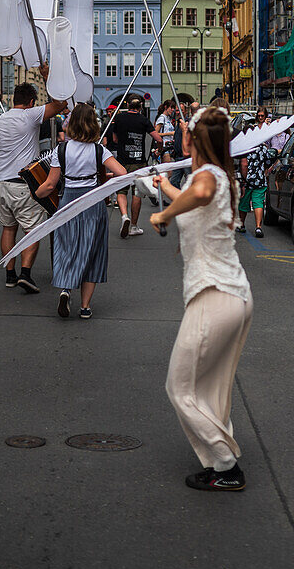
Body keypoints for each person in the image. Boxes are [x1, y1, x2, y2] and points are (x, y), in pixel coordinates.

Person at [149, 106, 252, 492]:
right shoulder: (220, 174)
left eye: (183, 131)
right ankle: (221, 458)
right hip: (233, 295)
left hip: (215, 296)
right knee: (209, 387)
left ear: (192, 139)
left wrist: (162, 217)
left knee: (180, 387)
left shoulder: (208, 177)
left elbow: (201, 192)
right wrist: (165, 188)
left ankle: (225, 466)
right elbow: (197, 197)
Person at [36, 102, 126, 319]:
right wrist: (106, 183)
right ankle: (85, 307)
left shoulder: (62, 150)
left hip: (68, 201)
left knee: (67, 246)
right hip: (92, 202)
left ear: (72, 124)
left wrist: (35, 193)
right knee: (93, 251)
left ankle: (66, 289)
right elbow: (122, 172)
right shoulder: (99, 150)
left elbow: (50, 184)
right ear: (93, 124)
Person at [0, 65, 66, 293]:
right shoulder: (30, 115)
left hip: (0, 181)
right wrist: (48, 78)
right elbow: (60, 105)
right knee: (33, 230)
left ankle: (9, 273)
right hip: (23, 183)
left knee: (8, 228)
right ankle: (25, 273)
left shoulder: (2, 119)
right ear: (32, 101)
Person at [111, 95, 163, 237]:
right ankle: (133, 226)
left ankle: (124, 217)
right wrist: (158, 149)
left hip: (121, 161)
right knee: (136, 193)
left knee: (121, 191)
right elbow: (158, 138)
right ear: (140, 107)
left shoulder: (120, 118)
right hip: (139, 162)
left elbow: (115, 139)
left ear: (128, 106)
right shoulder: (143, 120)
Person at [236, 134, 276, 239]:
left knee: (244, 202)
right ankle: (258, 227)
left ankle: (241, 225)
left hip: (247, 180)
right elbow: (268, 162)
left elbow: (243, 165)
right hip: (260, 180)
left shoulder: (245, 147)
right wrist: (263, 173)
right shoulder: (263, 147)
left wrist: (243, 180)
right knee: (258, 203)